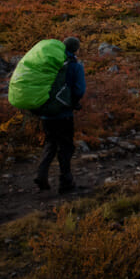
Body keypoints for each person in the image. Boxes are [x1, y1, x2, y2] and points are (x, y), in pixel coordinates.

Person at [35, 36, 86, 192]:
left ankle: (41, 175)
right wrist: (74, 102)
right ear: (76, 49)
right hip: (64, 113)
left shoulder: (51, 63)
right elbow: (79, 90)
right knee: (66, 146)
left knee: (50, 144)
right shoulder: (74, 66)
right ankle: (66, 182)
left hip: (46, 113)